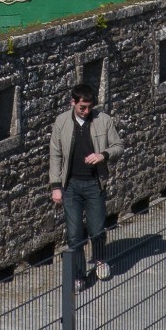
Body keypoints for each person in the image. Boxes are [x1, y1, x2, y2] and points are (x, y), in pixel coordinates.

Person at [48, 84, 122, 285]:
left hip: (94, 184)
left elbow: (118, 146)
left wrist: (103, 155)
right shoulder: (61, 121)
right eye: (82, 107)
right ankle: (79, 274)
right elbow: (55, 155)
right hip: (71, 185)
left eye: (90, 107)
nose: (86, 111)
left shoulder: (103, 120)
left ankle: (99, 259)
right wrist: (56, 186)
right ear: (73, 102)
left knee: (96, 230)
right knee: (74, 235)